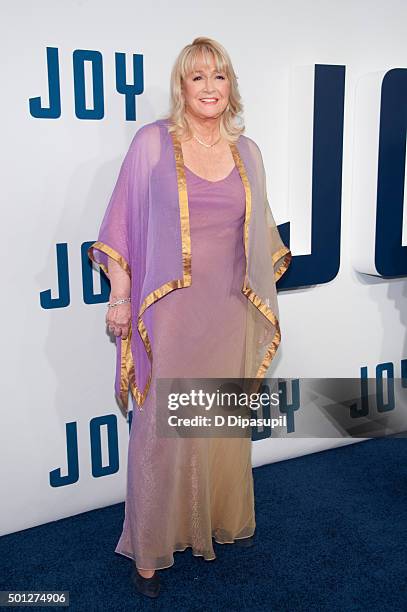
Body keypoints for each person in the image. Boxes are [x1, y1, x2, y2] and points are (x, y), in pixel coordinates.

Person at [88, 36, 291, 598]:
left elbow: (259, 232)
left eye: (219, 77)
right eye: (197, 77)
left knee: (219, 418)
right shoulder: (152, 143)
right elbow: (122, 223)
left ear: (231, 87)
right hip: (169, 310)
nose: (209, 88)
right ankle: (150, 548)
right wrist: (122, 296)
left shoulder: (247, 151)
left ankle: (217, 520)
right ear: (182, 87)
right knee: (161, 427)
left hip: (227, 306)